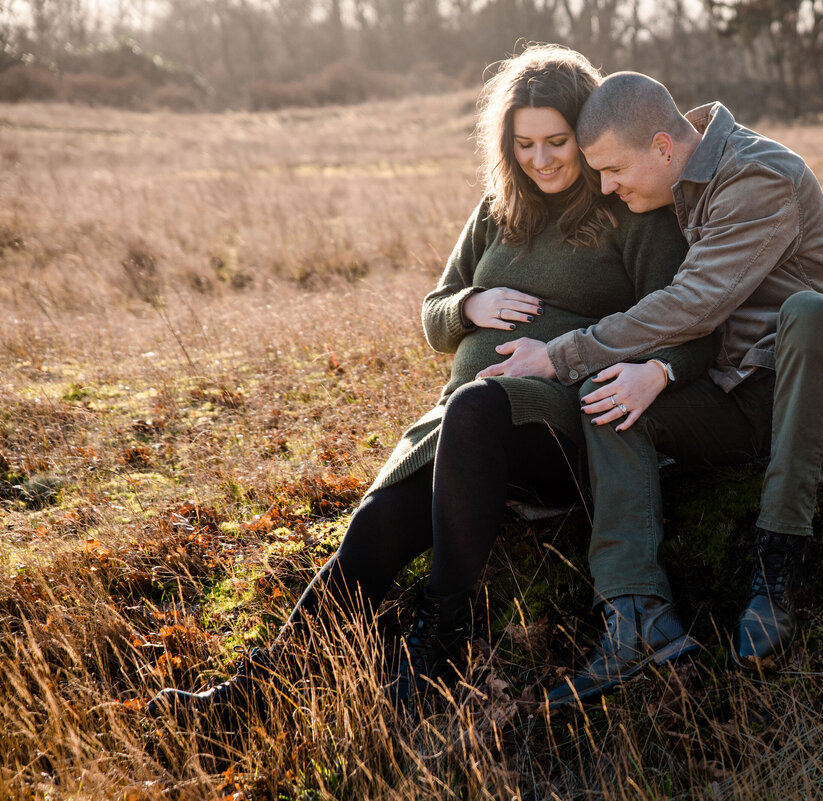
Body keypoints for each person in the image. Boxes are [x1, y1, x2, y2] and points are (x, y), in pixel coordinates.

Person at [147, 47, 709, 729]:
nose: (541, 159)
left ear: (586, 132)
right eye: (524, 144)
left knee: (475, 405)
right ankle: (262, 687)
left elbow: (679, 320)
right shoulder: (499, 209)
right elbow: (434, 314)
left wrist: (573, 356)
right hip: (466, 423)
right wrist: (471, 305)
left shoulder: (629, 204)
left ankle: (443, 632)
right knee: (377, 525)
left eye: (557, 141)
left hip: (560, 422)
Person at [475, 71, 823, 707]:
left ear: (664, 148)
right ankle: (636, 615)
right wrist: (652, 370)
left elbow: (692, 305)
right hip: (745, 392)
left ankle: (778, 559)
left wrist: (560, 355)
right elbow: (682, 325)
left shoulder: (760, 176)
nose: (607, 187)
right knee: (610, 396)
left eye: (614, 170)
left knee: (807, 312)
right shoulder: (671, 183)